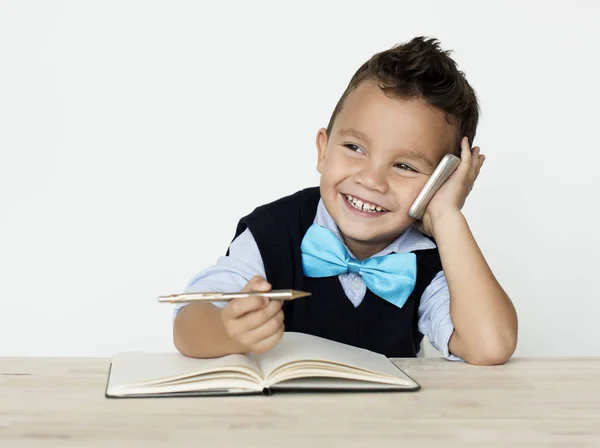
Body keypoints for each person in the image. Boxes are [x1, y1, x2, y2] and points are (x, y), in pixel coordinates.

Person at [172, 36, 518, 365]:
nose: (370, 179)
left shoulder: (430, 258)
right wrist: (227, 331)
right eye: (354, 148)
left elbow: (489, 344)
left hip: (389, 425)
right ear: (323, 149)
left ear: (441, 181)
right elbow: (187, 324)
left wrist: (446, 216)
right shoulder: (273, 231)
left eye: (404, 166)